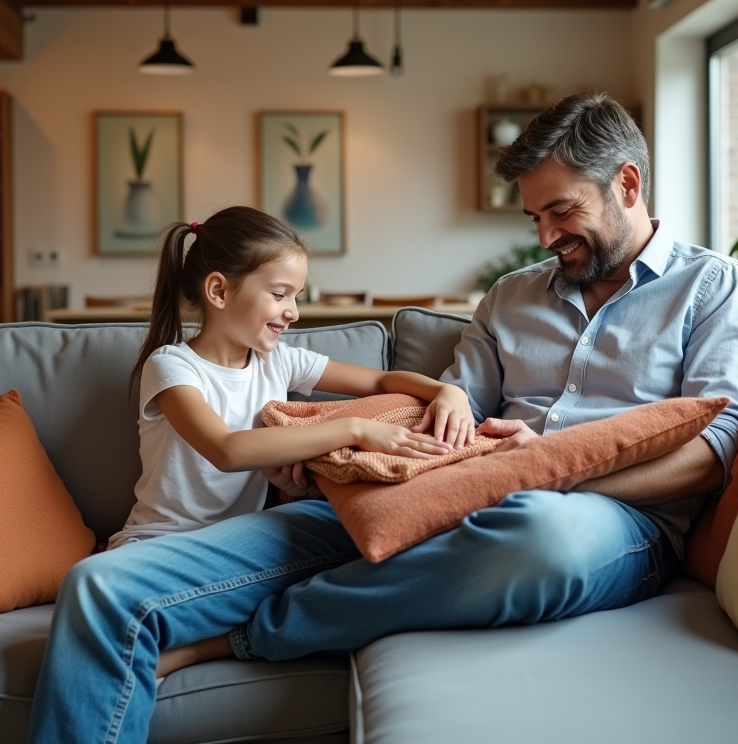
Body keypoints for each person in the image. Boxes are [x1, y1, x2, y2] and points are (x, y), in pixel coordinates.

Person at [29, 92, 738, 744]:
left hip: (605, 522)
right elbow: (444, 409)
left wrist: (550, 471)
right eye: (534, 217)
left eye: (562, 211)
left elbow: (713, 453)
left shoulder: (716, 289)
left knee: (538, 534)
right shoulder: (511, 297)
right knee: (102, 587)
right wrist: (332, 459)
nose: (545, 237)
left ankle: (251, 637)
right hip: (436, 497)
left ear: (628, 184)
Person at [108, 207, 473, 553]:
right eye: (279, 294)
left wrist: (446, 391)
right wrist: (357, 430)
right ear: (219, 291)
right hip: (159, 543)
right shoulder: (173, 366)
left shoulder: (279, 361)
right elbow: (227, 450)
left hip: (235, 545)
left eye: (296, 297)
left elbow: (380, 383)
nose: (293, 312)